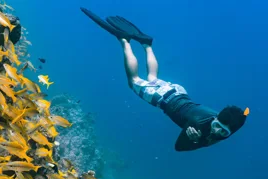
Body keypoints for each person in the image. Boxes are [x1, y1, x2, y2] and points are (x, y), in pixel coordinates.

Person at [81, 8, 249, 152]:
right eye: (218, 126)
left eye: (223, 132)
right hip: (163, 98)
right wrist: (196, 140)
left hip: (179, 91)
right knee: (134, 81)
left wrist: (240, 117)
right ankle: (124, 40)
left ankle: (146, 44)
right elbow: (179, 147)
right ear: (217, 118)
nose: (218, 131)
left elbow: (233, 122)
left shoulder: (225, 121)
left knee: (152, 78)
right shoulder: (197, 126)